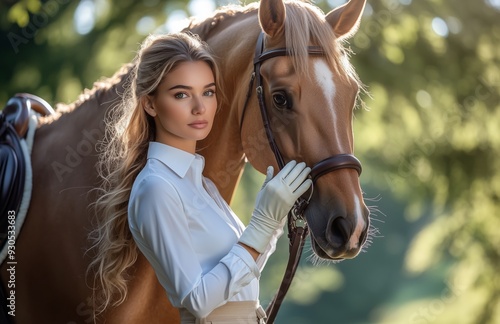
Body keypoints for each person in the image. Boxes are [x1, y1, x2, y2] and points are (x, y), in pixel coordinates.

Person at [88, 32, 312, 323]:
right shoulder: (156, 188)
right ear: (150, 104)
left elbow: (241, 278)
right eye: (181, 94)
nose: (200, 107)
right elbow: (197, 300)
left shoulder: (201, 184)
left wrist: (273, 218)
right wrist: (261, 223)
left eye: (207, 91)